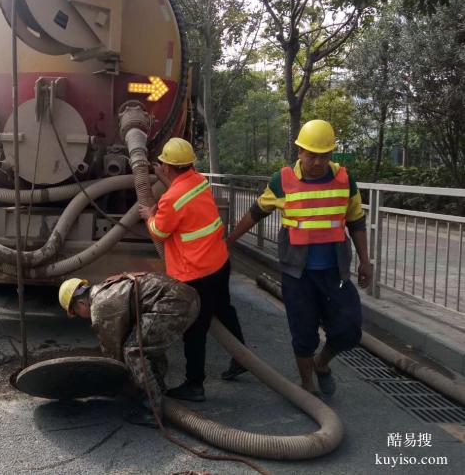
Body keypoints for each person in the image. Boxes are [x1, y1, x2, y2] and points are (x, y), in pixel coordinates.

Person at [226, 119, 373, 396]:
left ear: (332, 154)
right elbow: (257, 211)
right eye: (311, 155)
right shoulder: (281, 181)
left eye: (324, 155)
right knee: (303, 333)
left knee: (349, 329)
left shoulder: (345, 179)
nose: (317, 162)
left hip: (335, 273)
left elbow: (356, 221)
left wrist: (365, 260)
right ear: (299, 152)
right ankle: (306, 384)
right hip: (298, 274)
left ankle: (322, 363)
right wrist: (230, 241)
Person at [138, 137, 247, 403]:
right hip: (219, 262)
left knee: (194, 330)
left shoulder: (171, 199)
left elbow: (159, 231)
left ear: (167, 167)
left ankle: (195, 384)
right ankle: (241, 357)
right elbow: (180, 193)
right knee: (225, 310)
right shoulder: (198, 181)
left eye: (162, 163)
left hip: (196, 273)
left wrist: (149, 214)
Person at [58, 273, 200, 427]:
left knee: (134, 351)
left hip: (175, 303)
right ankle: (157, 390)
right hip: (187, 297)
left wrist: (111, 385)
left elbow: (113, 354)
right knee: (147, 344)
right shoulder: (106, 287)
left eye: (76, 313)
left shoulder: (100, 306)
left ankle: (152, 412)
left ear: (80, 304)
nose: (80, 316)